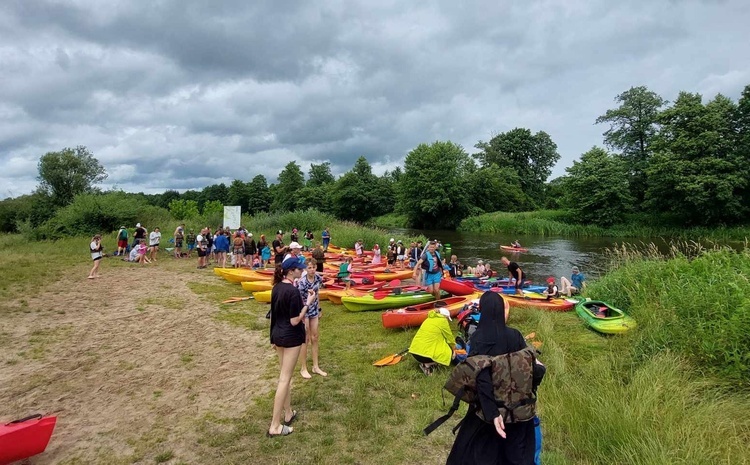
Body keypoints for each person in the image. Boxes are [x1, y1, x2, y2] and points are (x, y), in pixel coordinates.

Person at [446, 291, 546, 465]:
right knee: (516, 455)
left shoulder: (478, 337)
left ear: (483, 310)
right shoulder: (514, 334)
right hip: (517, 409)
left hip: (489, 407)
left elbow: (481, 376)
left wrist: (491, 412)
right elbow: (530, 369)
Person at [267, 257, 316, 437]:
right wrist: (308, 303)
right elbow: (295, 320)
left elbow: (273, 315)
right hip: (290, 338)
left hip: (278, 335)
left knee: (283, 377)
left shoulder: (276, 287)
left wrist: (272, 338)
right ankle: (275, 425)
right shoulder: (293, 291)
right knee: (285, 379)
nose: (302, 271)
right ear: (291, 271)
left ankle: (288, 413)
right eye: (299, 269)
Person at [297, 259, 327, 379]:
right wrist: (302, 314)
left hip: (314, 309)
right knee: (306, 338)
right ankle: (303, 368)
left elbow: (317, 294)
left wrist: (319, 309)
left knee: (315, 337)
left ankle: (315, 366)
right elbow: (298, 299)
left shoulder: (318, 279)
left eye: (314, 267)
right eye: (309, 268)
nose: (312, 270)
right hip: (305, 310)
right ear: (305, 269)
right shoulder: (302, 282)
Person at [408, 307, 455, 375]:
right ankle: (427, 365)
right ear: (445, 316)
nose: (447, 320)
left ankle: (426, 363)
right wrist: (453, 349)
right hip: (424, 356)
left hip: (414, 352)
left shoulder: (428, 319)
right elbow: (450, 338)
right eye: (447, 318)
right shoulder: (443, 321)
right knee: (449, 354)